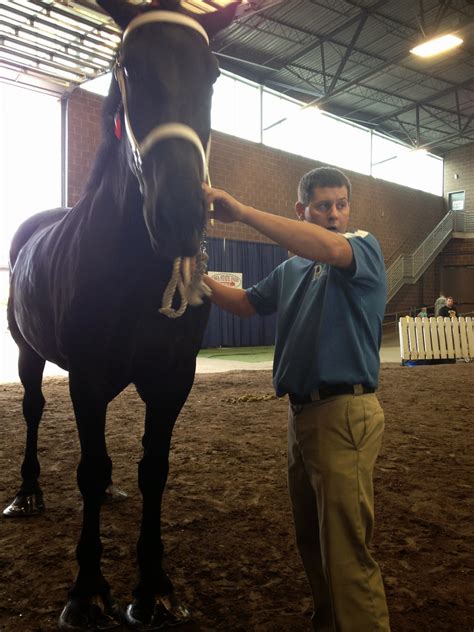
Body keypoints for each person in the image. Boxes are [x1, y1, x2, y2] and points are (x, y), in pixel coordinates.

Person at [202, 167, 391, 632]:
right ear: (301, 210)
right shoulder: (293, 269)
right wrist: (198, 277)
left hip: (345, 413)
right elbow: (246, 303)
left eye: (340, 204)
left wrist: (242, 212)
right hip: (302, 416)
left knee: (346, 552)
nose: (334, 215)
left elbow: (328, 247)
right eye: (323, 206)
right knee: (313, 540)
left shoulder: (360, 247)